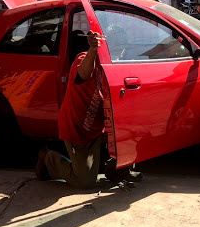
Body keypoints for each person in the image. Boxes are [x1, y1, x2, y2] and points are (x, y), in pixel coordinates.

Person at [36, 31, 141, 189]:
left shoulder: (115, 66)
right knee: (85, 181)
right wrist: (93, 50)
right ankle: (48, 159)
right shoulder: (84, 59)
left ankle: (116, 171)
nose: (118, 53)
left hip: (99, 128)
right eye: (114, 48)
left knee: (133, 128)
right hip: (78, 130)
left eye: (121, 49)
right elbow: (83, 74)